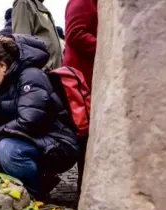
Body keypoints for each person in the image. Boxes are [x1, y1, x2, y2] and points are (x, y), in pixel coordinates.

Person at [0, 35, 79, 200]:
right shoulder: (9, 80)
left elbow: (30, 120)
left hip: (59, 143)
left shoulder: (30, 76)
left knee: (7, 150)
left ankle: (36, 194)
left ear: (2, 65)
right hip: (41, 140)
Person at [64, 0, 98, 193]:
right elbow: (75, 34)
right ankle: (85, 189)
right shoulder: (82, 2)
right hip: (81, 81)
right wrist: (105, 48)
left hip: (88, 79)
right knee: (85, 134)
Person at [12, 0, 62, 70]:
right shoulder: (24, 3)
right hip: (42, 72)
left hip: (53, 72)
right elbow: (22, 45)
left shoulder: (38, 6)